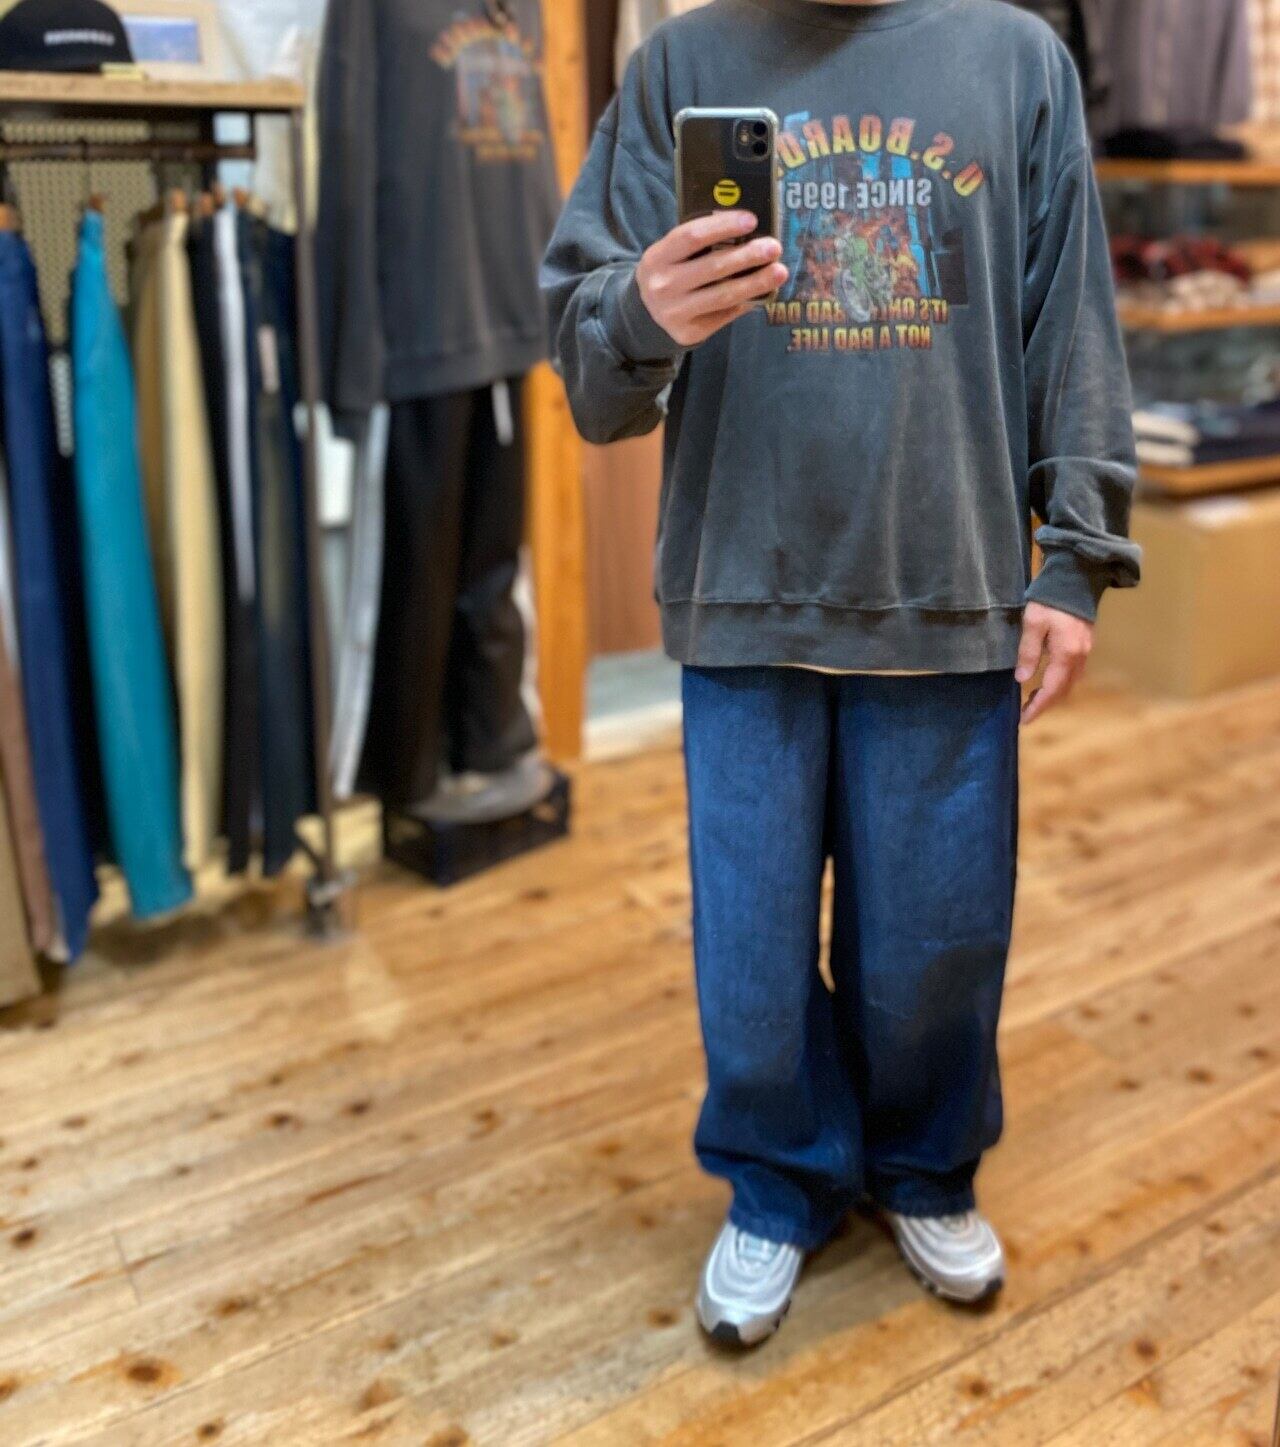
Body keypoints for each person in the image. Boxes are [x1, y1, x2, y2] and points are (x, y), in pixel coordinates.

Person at [541, 0, 1141, 1346]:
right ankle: (778, 1181)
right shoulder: (681, 65)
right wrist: (641, 309)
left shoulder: (1018, 59)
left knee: (938, 936)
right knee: (749, 953)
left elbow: (1071, 324)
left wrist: (1076, 555)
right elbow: (589, 369)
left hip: (949, 585)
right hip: (740, 588)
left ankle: (924, 1167)